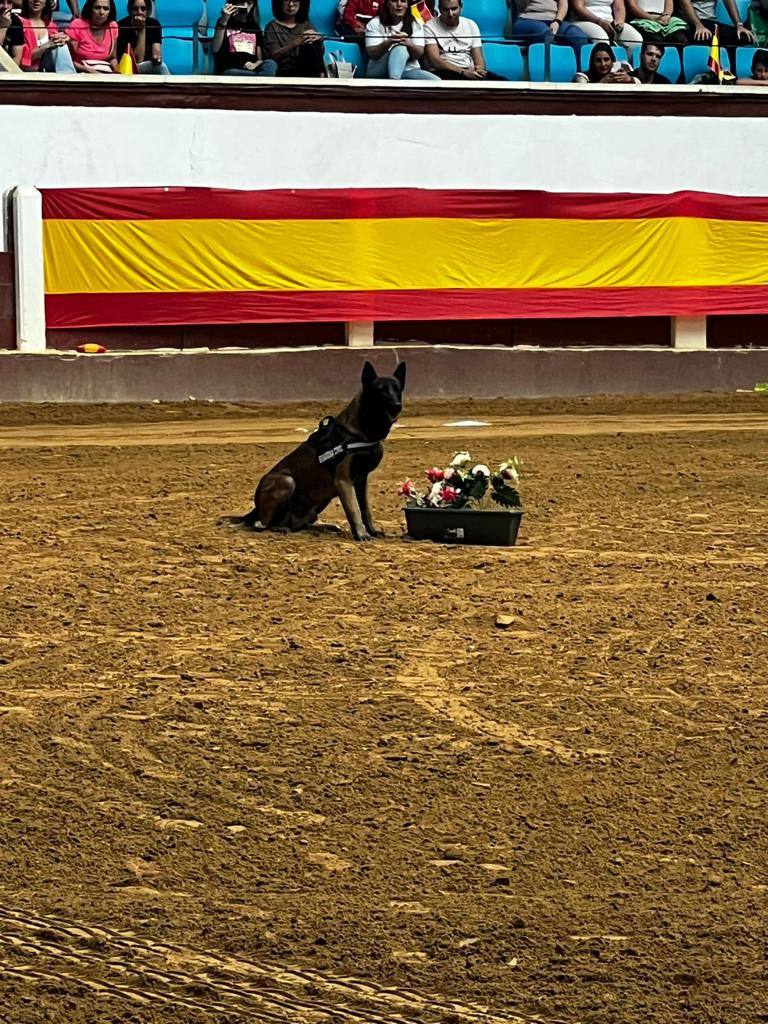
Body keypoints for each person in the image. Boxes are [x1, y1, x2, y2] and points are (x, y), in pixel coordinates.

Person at [424, 0, 507, 78]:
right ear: (439, 9)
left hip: (468, 70)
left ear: (461, 7)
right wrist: (463, 72)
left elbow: (478, 59)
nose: (450, 14)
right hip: (444, 71)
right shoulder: (429, 26)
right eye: (446, 10)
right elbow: (435, 61)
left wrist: (479, 71)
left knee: (503, 82)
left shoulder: (471, 25)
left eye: (454, 9)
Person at [365, 0, 439, 79]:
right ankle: (395, 82)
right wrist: (390, 42)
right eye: (394, 1)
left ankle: (396, 79)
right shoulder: (375, 23)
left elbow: (418, 54)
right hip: (379, 70)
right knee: (401, 47)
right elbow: (372, 53)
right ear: (387, 4)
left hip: (408, 70)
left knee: (435, 80)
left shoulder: (415, 23)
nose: (399, 4)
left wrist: (408, 43)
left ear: (407, 4)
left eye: (403, 1)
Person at [213, 0, 277, 75]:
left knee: (271, 63)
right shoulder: (223, 22)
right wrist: (224, 21)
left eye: (249, 3)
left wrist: (255, 64)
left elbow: (259, 59)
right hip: (232, 69)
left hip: (252, 70)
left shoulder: (255, 27)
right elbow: (215, 48)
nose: (245, 5)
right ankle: (260, 81)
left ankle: (260, 81)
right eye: (241, 2)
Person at [263, 0, 325, 76]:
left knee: (313, 44)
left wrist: (319, 40)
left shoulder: (306, 24)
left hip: (306, 69)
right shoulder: (271, 26)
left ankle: (322, 79)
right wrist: (296, 43)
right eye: (286, 0)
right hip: (283, 71)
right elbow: (273, 56)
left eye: (295, 0)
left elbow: (320, 52)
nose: (291, 4)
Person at [507, 0, 589, 52]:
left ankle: (579, 74)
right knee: (544, 32)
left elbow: (563, 3)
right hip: (527, 19)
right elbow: (521, 6)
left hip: (553, 19)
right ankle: (540, 74)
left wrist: (557, 21)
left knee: (578, 37)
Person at [570, 0, 643, 57]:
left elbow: (619, 7)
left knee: (636, 41)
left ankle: (620, 67)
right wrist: (599, 21)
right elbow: (578, 7)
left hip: (609, 21)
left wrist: (619, 21)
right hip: (584, 20)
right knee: (602, 39)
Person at [20, 0, 76, 70]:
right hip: (29, 69)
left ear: (46, 2)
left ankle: (68, 77)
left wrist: (65, 40)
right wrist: (47, 45)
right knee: (58, 45)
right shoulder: (20, 23)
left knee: (61, 45)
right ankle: (69, 77)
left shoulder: (51, 25)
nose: (36, 0)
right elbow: (22, 59)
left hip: (48, 68)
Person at [117, 0, 169, 73]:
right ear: (130, 11)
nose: (139, 12)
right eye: (135, 9)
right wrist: (142, 29)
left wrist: (156, 58)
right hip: (128, 66)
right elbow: (137, 60)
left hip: (148, 65)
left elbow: (157, 52)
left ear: (148, 11)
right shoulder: (122, 26)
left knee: (161, 67)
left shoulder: (154, 24)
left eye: (143, 9)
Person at [66, 0, 119, 72]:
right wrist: (89, 70)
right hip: (78, 72)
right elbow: (67, 60)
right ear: (90, 9)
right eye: (97, 8)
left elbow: (113, 58)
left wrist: (117, 72)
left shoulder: (113, 26)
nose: (101, 12)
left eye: (106, 8)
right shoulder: (77, 24)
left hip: (104, 74)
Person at [675, 0, 754, 46]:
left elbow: (728, 1)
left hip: (711, 23)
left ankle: (728, 70)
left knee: (744, 37)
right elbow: (685, 5)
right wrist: (698, 25)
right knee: (704, 36)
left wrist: (739, 25)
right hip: (692, 24)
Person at [0, 0, 24, 67]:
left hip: (8, 71)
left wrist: (8, 74)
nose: (5, 6)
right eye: (1, 2)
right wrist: (3, 28)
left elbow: (17, 57)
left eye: (9, 2)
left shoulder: (15, 21)